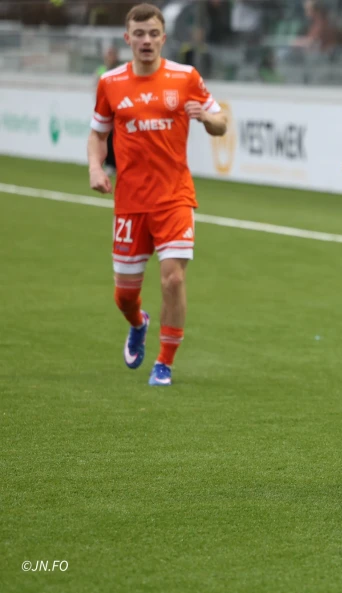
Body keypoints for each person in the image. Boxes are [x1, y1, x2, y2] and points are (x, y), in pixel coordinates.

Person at [87, 3, 228, 386]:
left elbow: (221, 121)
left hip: (174, 198)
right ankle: (139, 323)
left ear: (163, 38)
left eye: (153, 33)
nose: (146, 40)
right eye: (139, 34)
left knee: (173, 280)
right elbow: (98, 134)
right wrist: (96, 168)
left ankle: (164, 362)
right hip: (130, 203)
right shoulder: (110, 82)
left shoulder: (186, 77)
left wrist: (208, 118)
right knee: (124, 296)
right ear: (127, 38)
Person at [95, 46, 121, 176]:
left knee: (119, 137)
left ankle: (118, 164)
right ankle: (109, 164)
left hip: (118, 107)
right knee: (106, 137)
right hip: (105, 107)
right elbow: (97, 88)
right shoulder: (101, 70)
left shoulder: (120, 70)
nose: (110, 57)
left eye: (112, 54)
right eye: (108, 54)